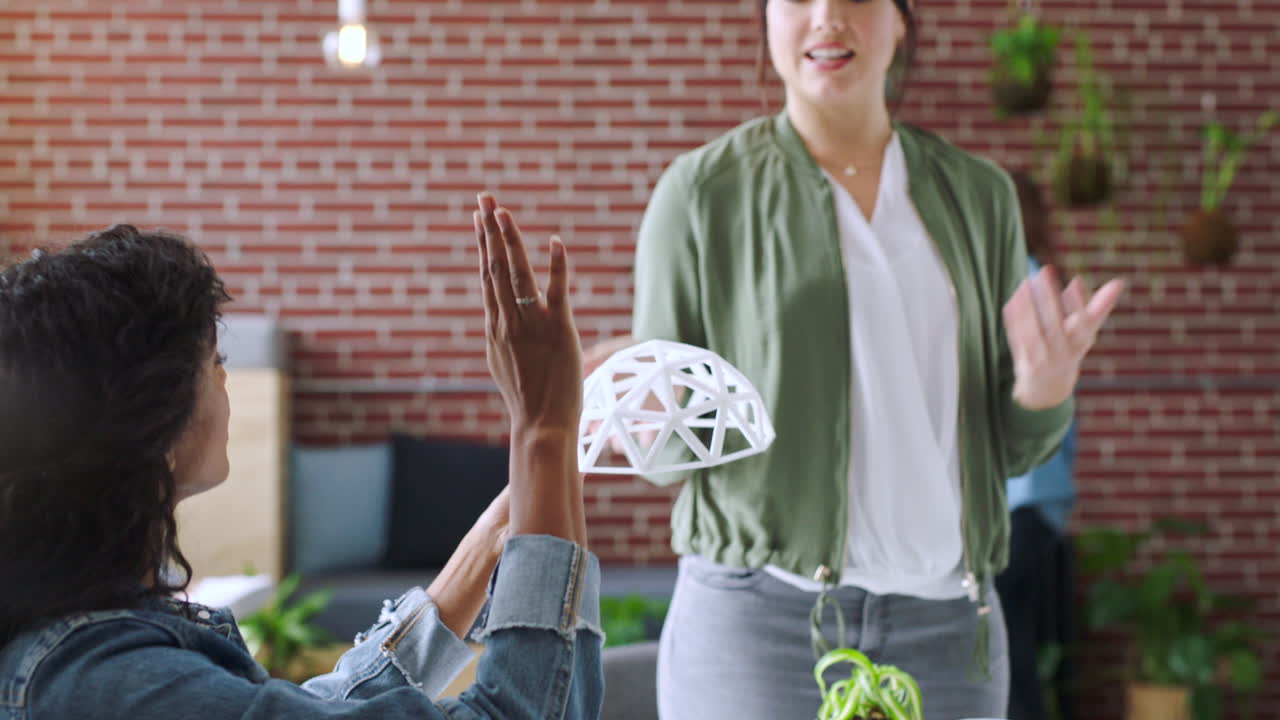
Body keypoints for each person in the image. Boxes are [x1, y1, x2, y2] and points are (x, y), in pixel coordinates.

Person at [586, 1, 1125, 719]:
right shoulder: (700, 196)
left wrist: (1046, 388)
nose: (826, 17)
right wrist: (641, 412)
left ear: (902, 21)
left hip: (951, 630)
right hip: (758, 624)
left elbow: (1014, 450)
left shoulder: (980, 196)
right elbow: (672, 461)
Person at [0, 194, 603, 719]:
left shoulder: (76, 648)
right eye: (215, 363)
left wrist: (518, 508)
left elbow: (316, 710)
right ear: (152, 421)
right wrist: (542, 428)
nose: (225, 381)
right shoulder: (109, 686)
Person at [995, 170, 1081, 720]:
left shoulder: (1017, 289)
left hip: (1016, 503)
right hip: (1037, 504)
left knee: (1004, 657)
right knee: (1015, 651)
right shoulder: (1037, 282)